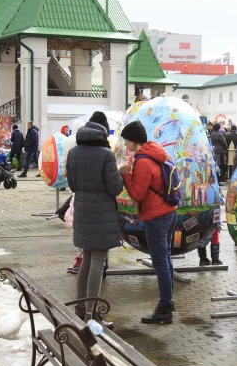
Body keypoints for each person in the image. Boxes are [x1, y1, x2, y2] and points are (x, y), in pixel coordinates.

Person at [118, 120, 177, 324]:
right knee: (166, 257)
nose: (125, 145)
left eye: (126, 141)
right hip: (169, 211)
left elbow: (137, 194)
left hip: (156, 215)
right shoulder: (156, 151)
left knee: (160, 262)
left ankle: (164, 309)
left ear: (134, 141)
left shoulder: (143, 161)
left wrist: (126, 174)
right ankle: (168, 300)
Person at [67, 112, 123, 323]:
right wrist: (121, 172)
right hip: (102, 213)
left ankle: (80, 308)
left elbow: (72, 185)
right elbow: (115, 187)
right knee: (98, 262)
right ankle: (92, 313)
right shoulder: (106, 155)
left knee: (86, 260)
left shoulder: (73, 153)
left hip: (82, 210)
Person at [56, 120, 86, 221]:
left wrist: (64, 170)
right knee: (77, 194)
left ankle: (65, 211)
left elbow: (64, 156)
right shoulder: (79, 139)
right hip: (79, 169)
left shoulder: (68, 139)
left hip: (70, 169)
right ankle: (65, 211)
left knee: (76, 193)